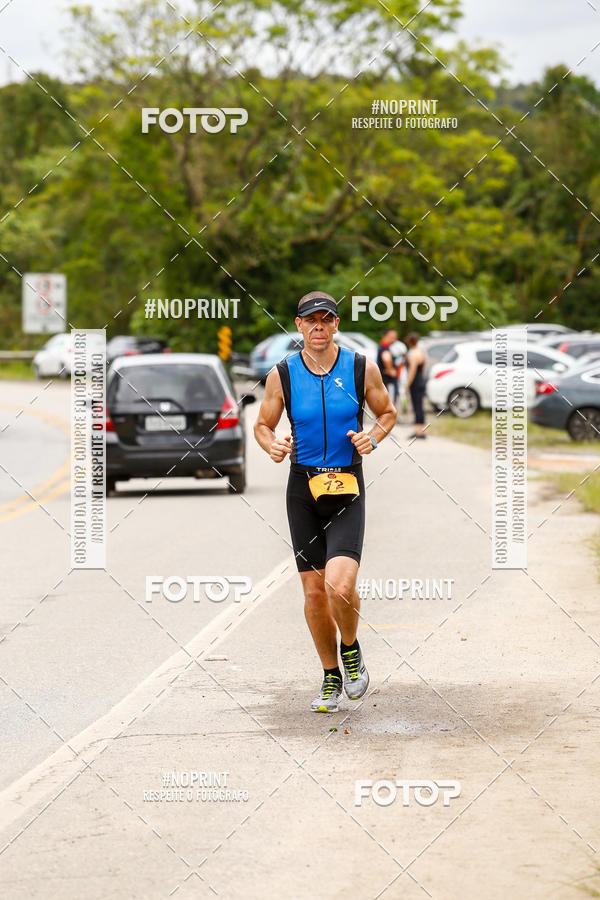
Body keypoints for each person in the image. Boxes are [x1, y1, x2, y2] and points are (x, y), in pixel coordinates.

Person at [254, 292, 397, 712]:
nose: (319, 326)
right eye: (310, 319)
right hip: (303, 489)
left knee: (340, 584)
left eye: (326, 319)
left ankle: (350, 648)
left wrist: (372, 438)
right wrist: (271, 445)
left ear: (336, 324)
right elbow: (262, 425)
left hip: (346, 485)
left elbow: (387, 413)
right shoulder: (282, 374)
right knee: (315, 593)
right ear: (298, 325)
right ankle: (330, 675)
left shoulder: (360, 367)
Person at [405, 332, 427, 439]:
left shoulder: (413, 354)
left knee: (416, 406)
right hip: (421, 380)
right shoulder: (422, 352)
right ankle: (421, 430)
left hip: (415, 382)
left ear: (410, 342)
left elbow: (412, 371)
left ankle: (418, 431)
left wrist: (407, 385)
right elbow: (423, 368)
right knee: (420, 406)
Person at [376, 328, 398, 399]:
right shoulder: (384, 348)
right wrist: (390, 370)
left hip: (384, 380)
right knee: (391, 400)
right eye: (392, 337)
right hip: (389, 381)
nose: (394, 339)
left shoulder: (382, 347)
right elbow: (386, 358)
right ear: (385, 336)